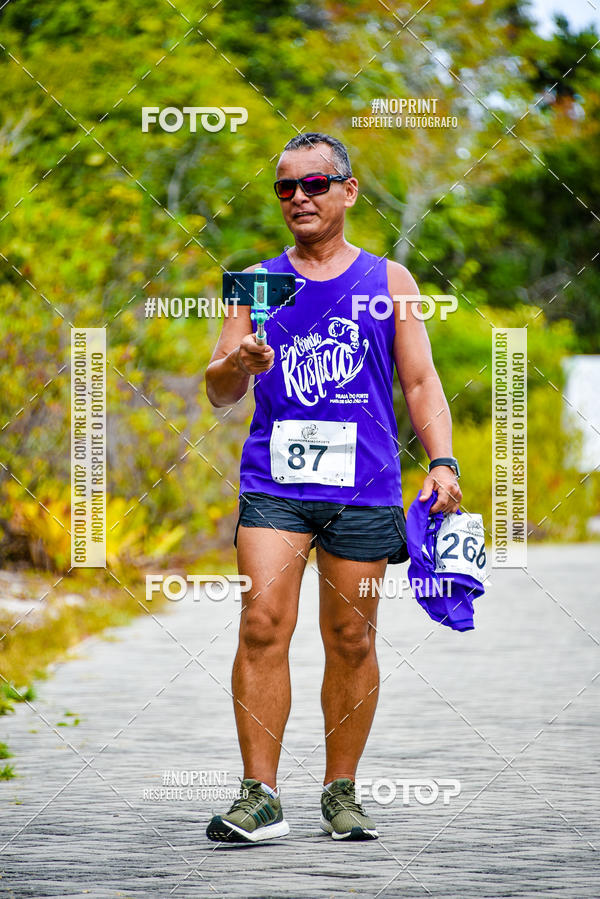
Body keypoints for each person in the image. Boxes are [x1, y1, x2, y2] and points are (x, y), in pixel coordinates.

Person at [204, 132, 462, 843]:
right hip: (275, 485)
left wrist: (443, 462)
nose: (299, 198)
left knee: (351, 637)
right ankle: (259, 796)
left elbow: (420, 382)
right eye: (286, 187)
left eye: (315, 184)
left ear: (348, 191)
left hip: (365, 485)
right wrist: (244, 363)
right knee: (261, 624)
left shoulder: (390, 281)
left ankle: (340, 792)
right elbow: (217, 389)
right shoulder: (255, 283)